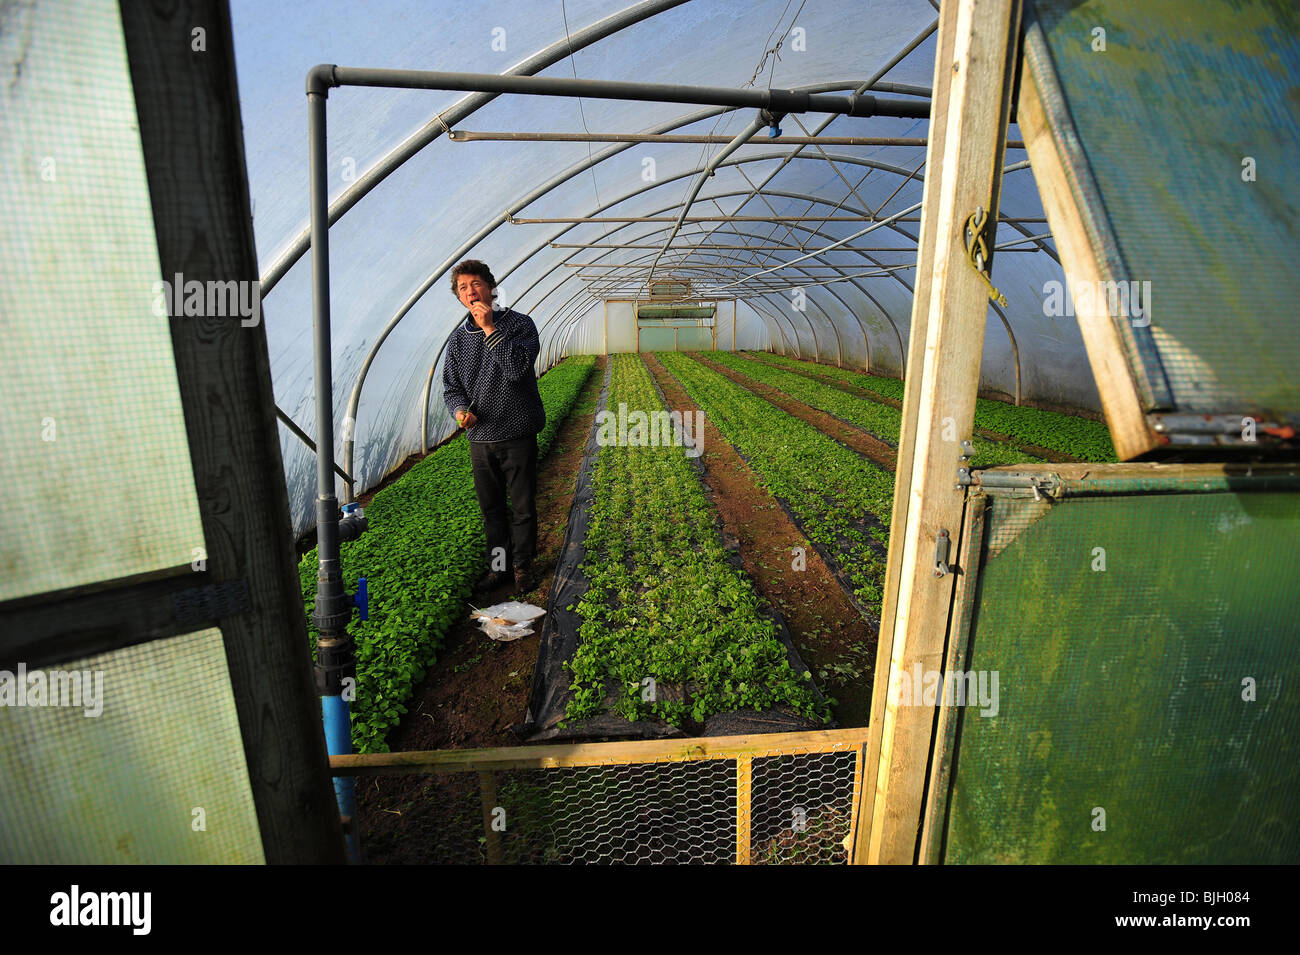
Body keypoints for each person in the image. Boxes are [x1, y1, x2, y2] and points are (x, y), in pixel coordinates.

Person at [441, 260, 546, 595]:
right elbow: (452, 387)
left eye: (476, 284)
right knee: (492, 511)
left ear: (490, 286)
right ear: (458, 298)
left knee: (522, 507)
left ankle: (522, 566)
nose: (470, 292)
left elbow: (516, 369)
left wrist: (490, 329)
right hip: (481, 440)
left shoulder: (520, 326)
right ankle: (499, 567)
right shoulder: (457, 341)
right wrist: (459, 411)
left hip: (518, 434)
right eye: (463, 288)